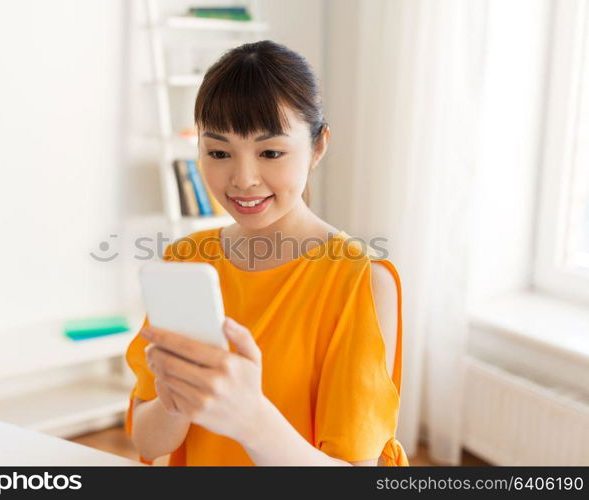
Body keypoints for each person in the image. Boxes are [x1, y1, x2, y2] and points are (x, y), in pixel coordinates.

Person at [124, 40, 408, 466]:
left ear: (317, 146)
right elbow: (148, 444)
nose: (243, 179)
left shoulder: (360, 280)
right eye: (219, 153)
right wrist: (175, 401)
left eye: (271, 152)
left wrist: (250, 418)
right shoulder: (185, 260)